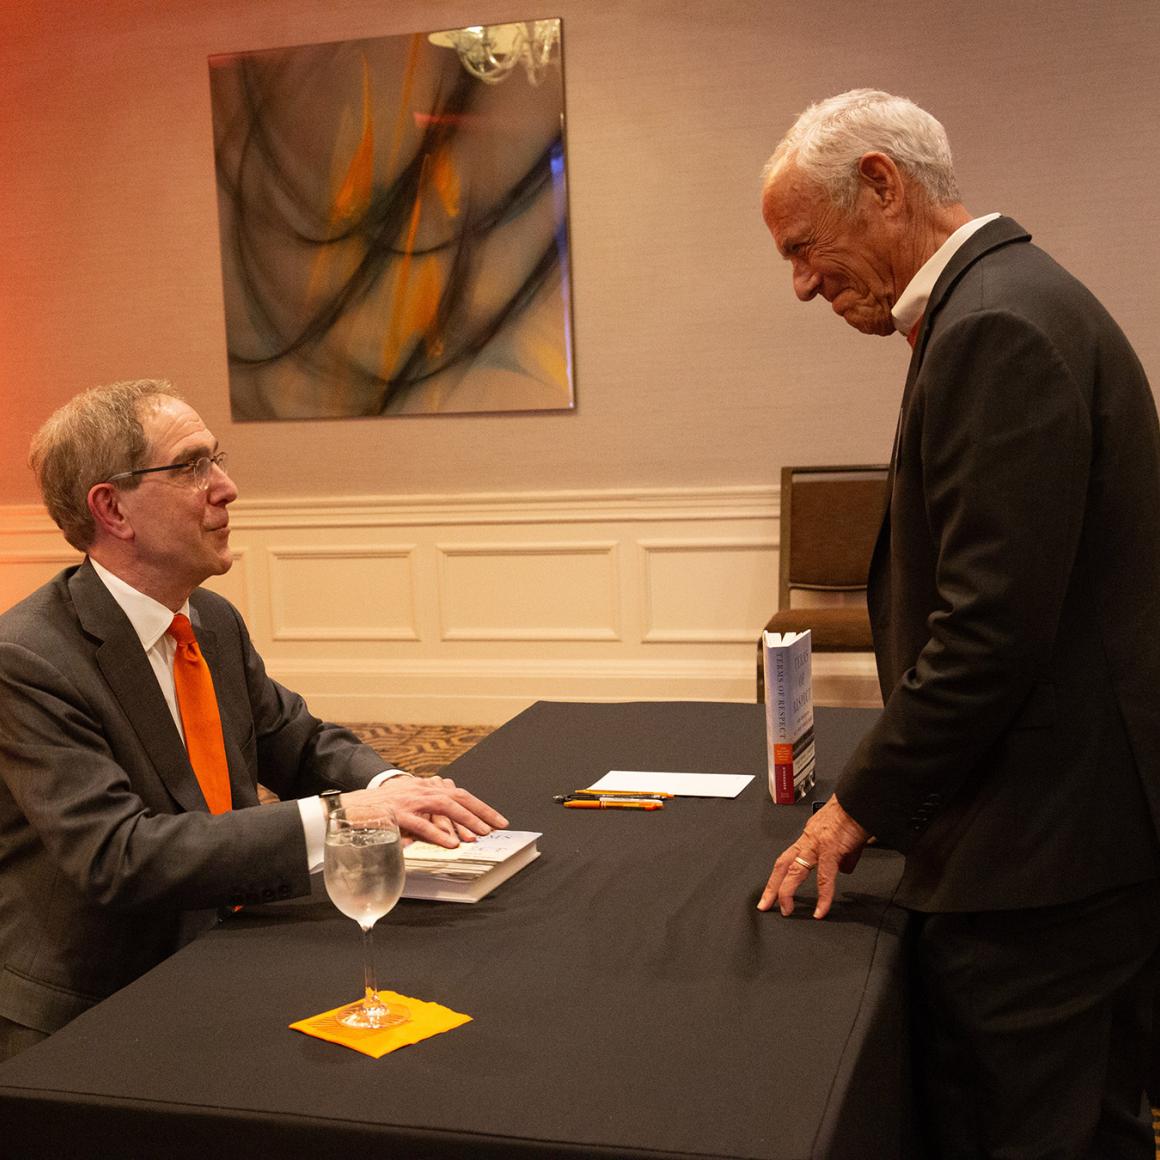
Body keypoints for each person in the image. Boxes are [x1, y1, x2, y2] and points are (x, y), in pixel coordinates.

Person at [755, 90, 1160, 1157]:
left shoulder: (994, 325)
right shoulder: (1013, 298)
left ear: (881, 185)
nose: (799, 283)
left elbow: (986, 630)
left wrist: (853, 809)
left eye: (803, 246)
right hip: (1085, 833)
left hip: (1041, 857)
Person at [0, 379, 508, 1061]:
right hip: (95, 1005)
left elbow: (297, 742)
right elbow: (119, 857)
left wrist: (390, 787)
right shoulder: (28, 659)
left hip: (222, 948)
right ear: (112, 508)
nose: (226, 488)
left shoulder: (209, 620)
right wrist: (342, 816)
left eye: (218, 459)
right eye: (191, 466)